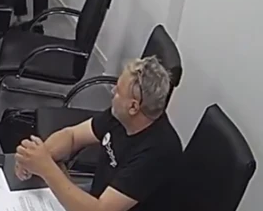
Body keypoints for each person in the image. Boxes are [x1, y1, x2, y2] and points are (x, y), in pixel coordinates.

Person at [14, 57, 182, 211]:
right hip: (99, 197)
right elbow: (72, 136)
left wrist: (46, 168)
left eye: (118, 92)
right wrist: (36, 158)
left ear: (133, 107)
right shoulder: (122, 116)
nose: (113, 92)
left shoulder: (158, 151)